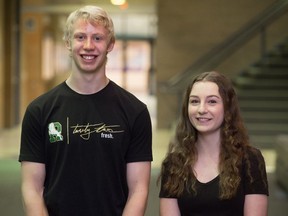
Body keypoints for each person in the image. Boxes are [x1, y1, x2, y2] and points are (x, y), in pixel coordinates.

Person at [19, 5, 153, 216]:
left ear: (110, 45)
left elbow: (139, 189)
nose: (88, 46)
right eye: (80, 37)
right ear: (68, 43)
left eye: (98, 38)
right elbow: (32, 188)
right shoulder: (39, 111)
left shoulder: (135, 112)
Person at [158, 71, 268, 216]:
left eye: (212, 101)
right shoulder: (173, 163)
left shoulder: (250, 160)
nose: (201, 109)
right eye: (194, 101)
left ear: (227, 108)